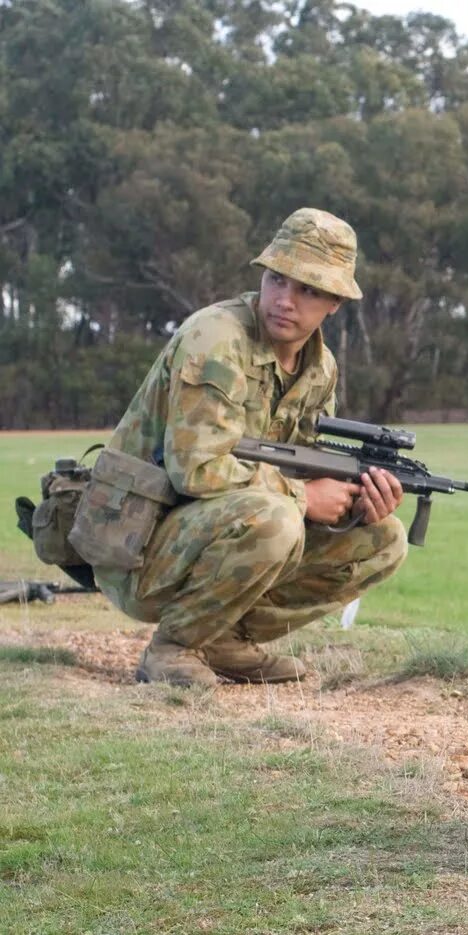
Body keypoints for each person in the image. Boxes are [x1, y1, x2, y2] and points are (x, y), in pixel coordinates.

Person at [85, 208, 409, 687]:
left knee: (384, 539)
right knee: (277, 518)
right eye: (277, 280)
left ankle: (222, 639)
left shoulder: (320, 369)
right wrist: (305, 498)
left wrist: (356, 502)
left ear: (335, 302)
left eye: (308, 289)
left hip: (218, 534)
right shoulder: (216, 341)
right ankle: (174, 647)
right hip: (138, 546)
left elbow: (303, 465)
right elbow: (196, 470)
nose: (285, 299)